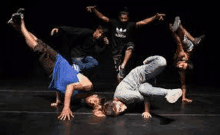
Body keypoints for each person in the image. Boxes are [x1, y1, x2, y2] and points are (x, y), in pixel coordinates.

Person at [7, 10, 106, 120]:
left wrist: (58, 100)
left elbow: (63, 83)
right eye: (95, 101)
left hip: (59, 64)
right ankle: (21, 21)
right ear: (96, 95)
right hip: (56, 67)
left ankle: (17, 25)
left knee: (40, 44)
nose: (91, 102)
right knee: (39, 49)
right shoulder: (88, 86)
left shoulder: (80, 97)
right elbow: (70, 86)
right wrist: (66, 107)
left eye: (92, 104)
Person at [86, 6, 165, 83]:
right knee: (119, 72)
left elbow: (144, 22)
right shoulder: (114, 22)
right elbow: (102, 17)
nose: (123, 20)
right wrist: (94, 10)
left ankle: (124, 64)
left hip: (126, 46)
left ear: (128, 18)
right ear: (119, 17)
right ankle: (120, 88)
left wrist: (155, 17)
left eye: (125, 19)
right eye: (122, 18)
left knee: (130, 46)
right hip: (116, 49)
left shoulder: (130, 25)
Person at [94, 55, 182, 118]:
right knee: (143, 88)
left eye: (120, 107)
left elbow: (144, 96)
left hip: (142, 74)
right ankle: (169, 92)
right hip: (144, 83)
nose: (123, 109)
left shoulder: (123, 96)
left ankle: (148, 60)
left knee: (162, 62)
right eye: (120, 112)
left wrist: (147, 110)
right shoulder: (118, 100)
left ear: (115, 101)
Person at [169, 16, 205, 103]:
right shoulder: (183, 67)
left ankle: (180, 26)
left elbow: (178, 42)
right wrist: (184, 97)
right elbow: (183, 84)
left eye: (181, 67)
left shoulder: (179, 55)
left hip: (184, 47)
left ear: (178, 65)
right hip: (189, 47)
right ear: (187, 65)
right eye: (184, 67)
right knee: (182, 34)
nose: (182, 67)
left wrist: (173, 33)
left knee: (181, 38)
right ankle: (192, 38)